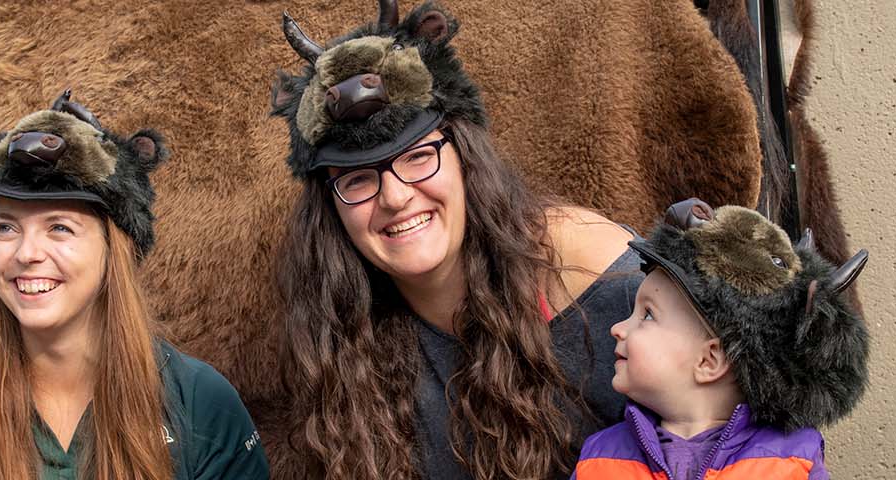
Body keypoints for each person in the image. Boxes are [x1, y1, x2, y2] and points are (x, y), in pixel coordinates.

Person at [266, 2, 642, 478]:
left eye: (419, 156)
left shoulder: (595, 276)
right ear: (332, 209)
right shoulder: (345, 347)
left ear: (464, 156)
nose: (396, 197)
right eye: (358, 180)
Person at [0, 92, 269, 479]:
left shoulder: (201, 405)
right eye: (6, 227)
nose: (27, 253)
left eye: (59, 227)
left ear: (116, 249)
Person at [573, 199, 870, 480]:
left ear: (709, 360)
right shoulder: (598, 458)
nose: (617, 328)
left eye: (647, 315)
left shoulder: (793, 462)